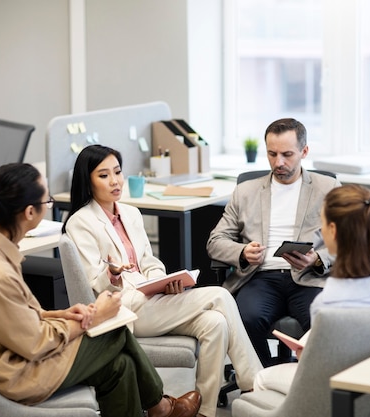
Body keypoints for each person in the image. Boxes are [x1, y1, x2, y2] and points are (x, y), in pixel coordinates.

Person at [0, 163, 201, 417]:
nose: (48, 205)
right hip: (20, 372)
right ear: (29, 212)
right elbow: (35, 343)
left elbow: (15, 317)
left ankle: (160, 408)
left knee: (121, 365)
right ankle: (161, 407)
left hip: (15, 351)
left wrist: (63, 314)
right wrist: (94, 318)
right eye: (47, 201)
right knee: (113, 330)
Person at [63, 145, 262, 417]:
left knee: (215, 324)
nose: (115, 181)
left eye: (118, 172)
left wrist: (161, 282)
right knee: (220, 295)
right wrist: (114, 274)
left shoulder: (131, 213)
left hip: (151, 298)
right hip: (126, 308)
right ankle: (253, 383)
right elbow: (93, 283)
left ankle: (204, 411)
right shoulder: (80, 222)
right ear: (88, 181)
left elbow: (149, 262)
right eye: (103, 175)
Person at [253, 184, 370, 393]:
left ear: (333, 230)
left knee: (260, 378)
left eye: (322, 224)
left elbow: (320, 365)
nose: (321, 231)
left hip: (342, 388)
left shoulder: (329, 299)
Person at [206, 118, 341, 367]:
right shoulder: (245, 191)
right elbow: (215, 241)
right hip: (260, 277)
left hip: (308, 276)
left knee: (324, 321)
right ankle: (264, 378)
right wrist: (243, 252)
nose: (279, 162)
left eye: (287, 154)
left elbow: (348, 240)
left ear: (304, 151)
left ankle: (308, 383)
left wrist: (317, 258)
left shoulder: (328, 188)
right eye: (272, 154)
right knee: (246, 318)